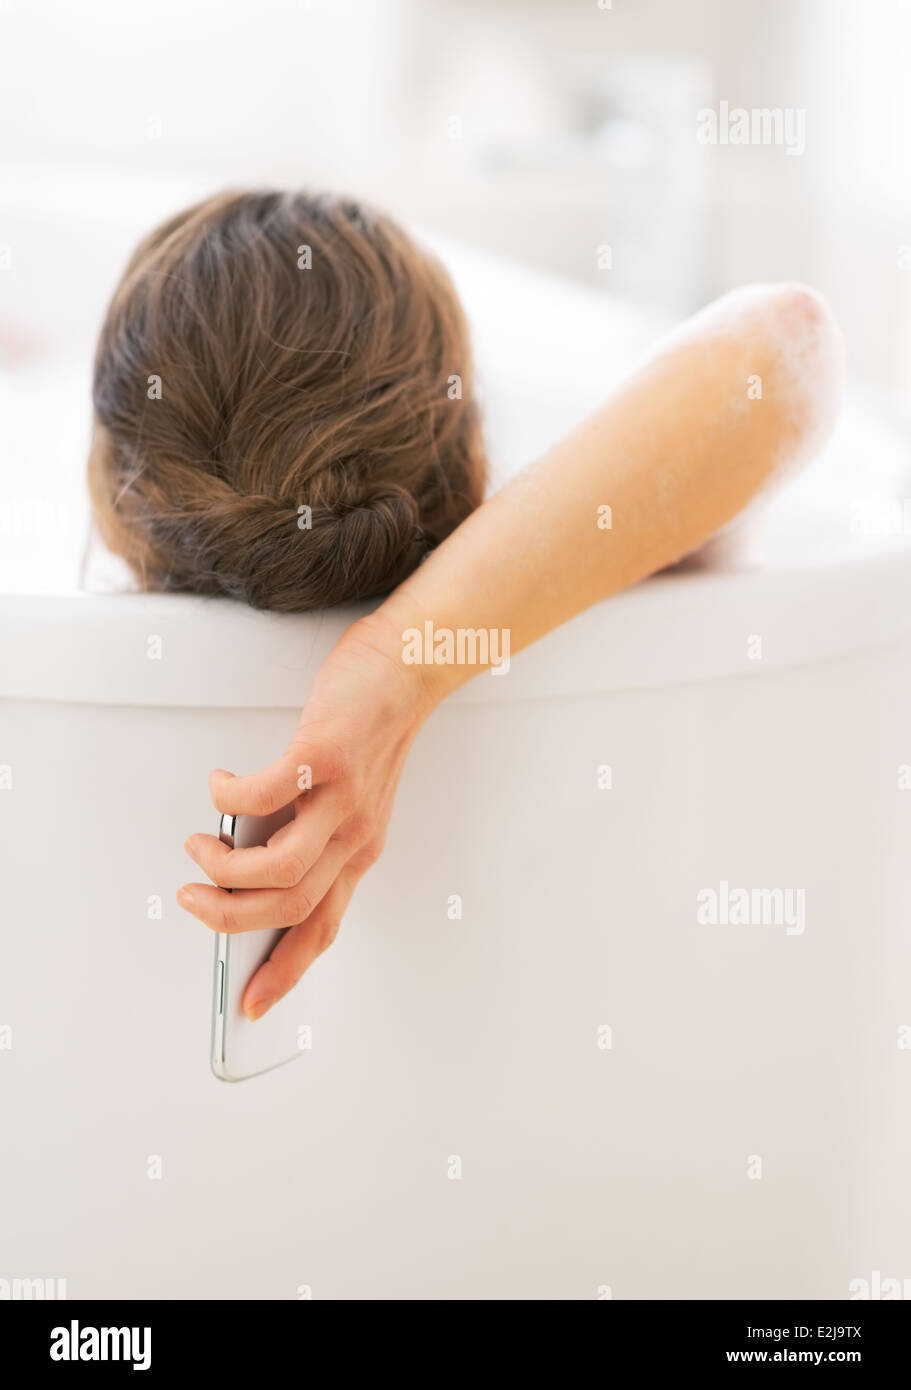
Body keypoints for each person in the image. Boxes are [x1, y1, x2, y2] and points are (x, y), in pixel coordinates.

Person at [87, 190, 844, 1021]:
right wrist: (402, 661)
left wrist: (400, 664)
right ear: (468, 442)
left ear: (117, 494)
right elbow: (787, 344)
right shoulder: (601, 560)